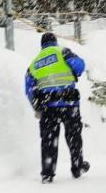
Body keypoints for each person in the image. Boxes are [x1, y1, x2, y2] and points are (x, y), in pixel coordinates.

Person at [25, 32, 90, 184]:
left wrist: (36, 106)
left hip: (48, 108)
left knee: (48, 140)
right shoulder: (63, 52)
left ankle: (47, 174)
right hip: (69, 104)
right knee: (74, 137)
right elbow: (80, 66)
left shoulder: (34, 63)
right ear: (55, 42)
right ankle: (77, 167)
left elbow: (28, 89)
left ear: (42, 45)